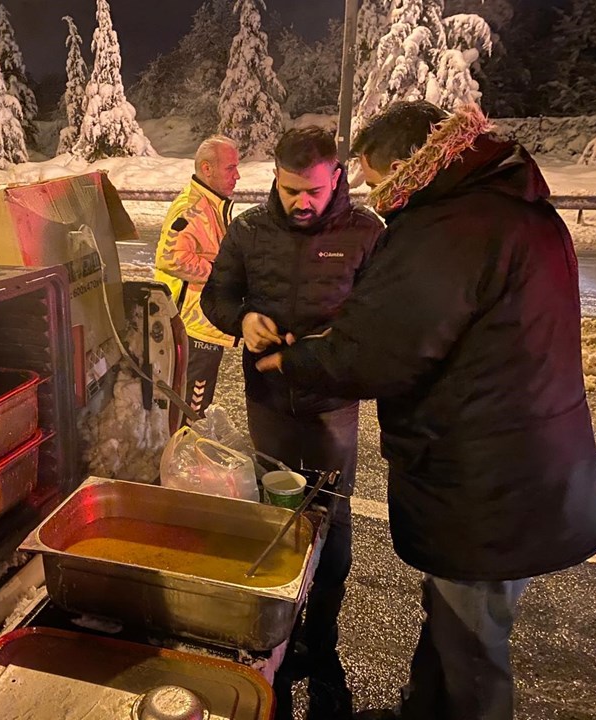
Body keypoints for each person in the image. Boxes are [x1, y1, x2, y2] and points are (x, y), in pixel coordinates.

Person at [256, 101, 596, 720]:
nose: (363, 186)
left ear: (403, 164)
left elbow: (381, 347)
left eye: (366, 171)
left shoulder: (452, 227)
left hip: (486, 478)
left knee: (472, 647)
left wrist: (295, 362)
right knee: (455, 621)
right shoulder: (508, 208)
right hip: (519, 465)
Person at [201, 126, 384, 720]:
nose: (300, 203)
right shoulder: (250, 230)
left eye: (312, 191)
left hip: (333, 403)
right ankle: (277, 629)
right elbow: (216, 294)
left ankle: (321, 641)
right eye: (288, 190)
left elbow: (383, 317)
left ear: (337, 178)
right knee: (275, 510)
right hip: (269, 399)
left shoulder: (367, 234)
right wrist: (243, 317)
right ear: (273, 179)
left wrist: (344, 344)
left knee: (331, 514)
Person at [154, 135, 240, 416]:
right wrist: (220, 274)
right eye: (230, 168)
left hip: (204, 323)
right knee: (191, 413)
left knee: (195, 408)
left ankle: (189, 453)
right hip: (193, 326)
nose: (237, 176)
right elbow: (170, 258)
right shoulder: (193, 209)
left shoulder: (211, 204)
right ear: (207, 168)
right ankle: (185, 457)